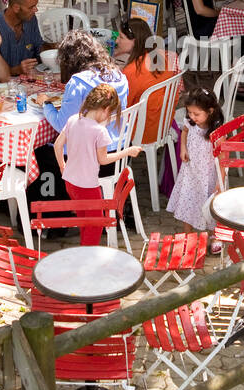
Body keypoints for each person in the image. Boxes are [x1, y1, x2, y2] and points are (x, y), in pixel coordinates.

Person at [53, 84, 143, 246]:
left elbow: (58, 145)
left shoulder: (73, 120)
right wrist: (127, 151)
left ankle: (84, 253)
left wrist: (62, 165)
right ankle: (87, 258)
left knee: (84, 222)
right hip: (88, 186)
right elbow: (103, 159)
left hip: (70, 182)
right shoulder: (100, 132)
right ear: (105, 109)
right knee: (96, 224)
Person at [31, 29, 129, 134]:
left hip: (89, 148)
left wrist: (46, 104)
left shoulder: (78, 82)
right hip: (119, 144)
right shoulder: (119, 76)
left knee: (41, 149)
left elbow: (63, 126)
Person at [166, 87, 223, 256]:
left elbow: (223, 159)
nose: (192, 117)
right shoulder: (190, 122)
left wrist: (220, 182)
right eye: (190, 112)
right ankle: (187, 237)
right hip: (190, 172)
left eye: (196, 114)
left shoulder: (217, 132)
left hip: (209, 176)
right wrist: (183, 148)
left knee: (210, 208)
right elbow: (184, 131)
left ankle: (214, 236)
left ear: (210, 111)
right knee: (187, 203)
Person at [117, 17, 181, 143]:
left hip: (142, 131)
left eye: (121, 37)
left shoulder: (131, 71)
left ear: (135, 41)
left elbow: (123, 106)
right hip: (163, 122)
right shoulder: (165, 56)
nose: (117, 40)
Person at [0, 0, 47, 75]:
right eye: (31, 7)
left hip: (27, 80)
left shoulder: (31, 19)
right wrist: (16, 70)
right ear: (16, 8)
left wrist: (52, 49)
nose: (36, 10)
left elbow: (38, 47)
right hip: (1, 85)